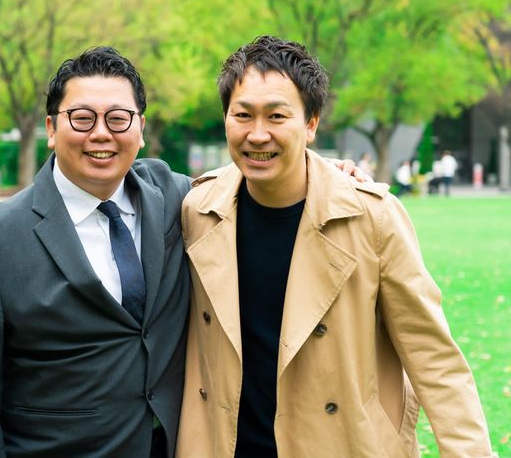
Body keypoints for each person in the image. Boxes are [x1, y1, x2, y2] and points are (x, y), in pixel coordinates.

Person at [0, 46, 363, 458]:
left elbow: (255, 173)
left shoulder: (177, 199)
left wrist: (322, 174)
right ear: (51, 128)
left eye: (118, 118)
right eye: (82, 118)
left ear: (140, 129)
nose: (100, 133)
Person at [176, 36, 493, 457]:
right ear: (226, 119)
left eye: (277, 116)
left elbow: (434, 359)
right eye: (243, 115)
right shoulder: (198, 209)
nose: (258, 134)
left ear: (311, 124)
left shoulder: (372, 218)